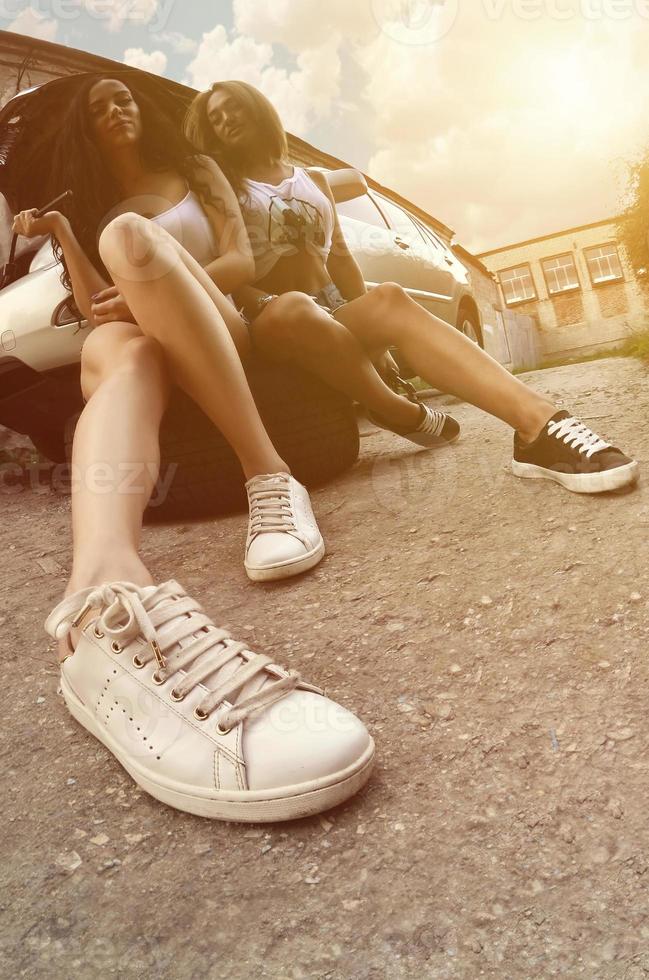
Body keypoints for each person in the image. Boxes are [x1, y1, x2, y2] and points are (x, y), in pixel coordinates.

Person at [15, 75, 374, 821]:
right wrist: (59, 236)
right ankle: (98, 599)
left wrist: (160, 275)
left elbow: (240, 262)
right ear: (86, 131)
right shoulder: (86, 207)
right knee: (120, 345)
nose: (115, 110)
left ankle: (267, 475)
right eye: (97, 108)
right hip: (144, 334)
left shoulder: (198, 171)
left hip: (218, 320)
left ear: (143, 113)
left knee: (130, 241)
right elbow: (88, 305)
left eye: (123, 98)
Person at [184, 80, 639, 495]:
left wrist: (376, 338)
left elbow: (339, 258)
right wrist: (260, 301)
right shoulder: (223, 182)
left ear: (256, 108)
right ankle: (397, 411)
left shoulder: (314, 180)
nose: (225, 121)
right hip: (269, 316)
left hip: (331, 308)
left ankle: (538, 426)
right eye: (215, 119)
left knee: (391, 299)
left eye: (232, 108)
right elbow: (230, 260)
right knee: (295, 309)